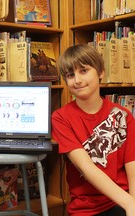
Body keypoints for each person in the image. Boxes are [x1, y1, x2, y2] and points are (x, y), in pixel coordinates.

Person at [51, 44, 135, 216]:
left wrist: (132, 205)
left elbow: (132, 169)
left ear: (101, 72)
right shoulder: (60, 118)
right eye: (70, 75)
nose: (77, 80)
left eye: (83, 70)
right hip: (86, 209)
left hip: (122, 201)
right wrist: (129, 203)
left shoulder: (123, 115)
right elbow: (86, 167)